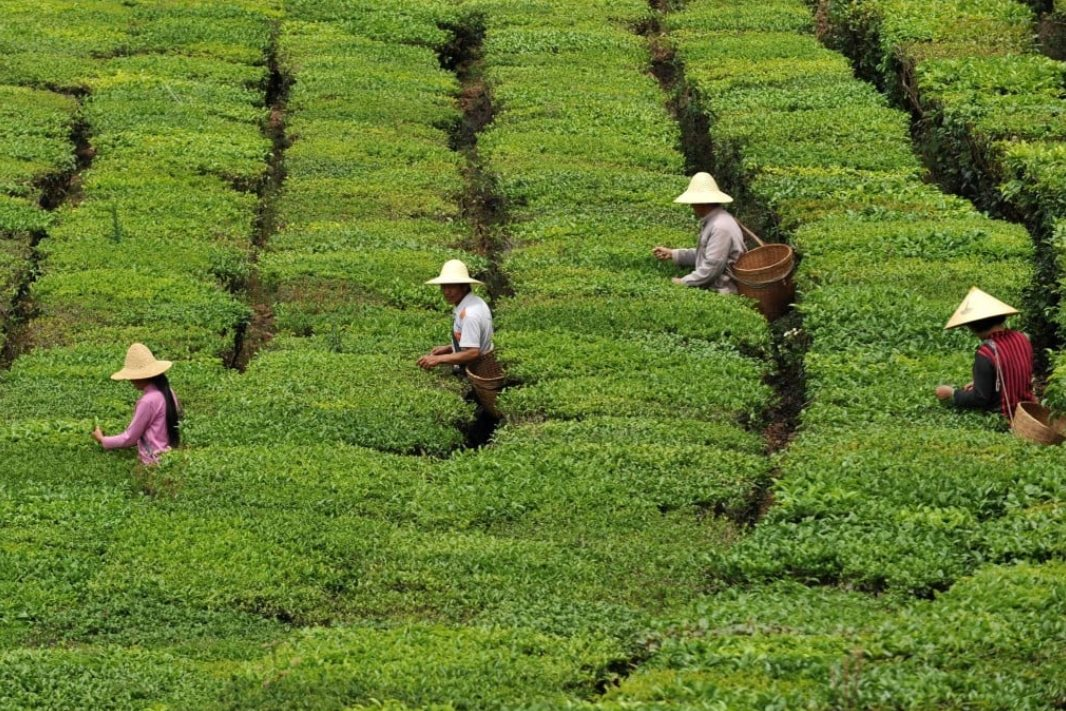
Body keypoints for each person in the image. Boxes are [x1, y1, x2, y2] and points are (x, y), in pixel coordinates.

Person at [417, 259, 504, 419]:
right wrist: (450, 347)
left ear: (464, 286)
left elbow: (472, 353)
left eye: (452, 286)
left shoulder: (469, 314)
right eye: (444, 287)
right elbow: (471, 339)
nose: (447, 291)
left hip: (477, 370)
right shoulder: (474, 302)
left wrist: (438, 359)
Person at [935, 287, 1035, 421]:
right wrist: (984, 381)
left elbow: (980, 398)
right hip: (1028, 409)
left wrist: (953, 393)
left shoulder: (986, 353)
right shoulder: (1023, 338)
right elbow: (1016, 371)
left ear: (973, 326)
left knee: (945, 391)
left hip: (1005, 414)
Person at [652, 172, 746, 293]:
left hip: (722, 291)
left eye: (693, 202)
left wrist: (683, 282)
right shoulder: (715, 220)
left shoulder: (720, 227)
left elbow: (712, 267)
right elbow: (705, 254)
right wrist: (673, 254)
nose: (691, 206)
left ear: (703, 203)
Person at [92, 343, 182, 465]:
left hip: (153, 460)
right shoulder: (168, 392)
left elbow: (130, 438)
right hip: (170, 457)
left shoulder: (147, 401)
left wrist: (103, 439)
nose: (130, 380)